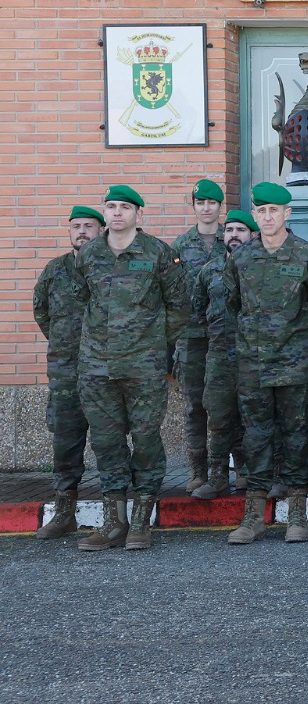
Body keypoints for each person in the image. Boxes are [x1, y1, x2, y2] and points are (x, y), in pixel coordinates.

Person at [74, 185, 188, 552]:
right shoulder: (89, 254)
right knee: (106, 442)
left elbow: (179, 307)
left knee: (145, 439)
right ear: (104, 213)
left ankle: (141, 520)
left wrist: (153, 343)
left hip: (144, 366)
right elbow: (81, 303)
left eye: (125, 207)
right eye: (111, 206)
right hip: (96, 367)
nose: (117, 213)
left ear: (139, 214)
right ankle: (114, 522)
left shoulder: (157, 253)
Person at [223, 182, 308, 545]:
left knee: (296, 436)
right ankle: (254, 516)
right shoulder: (240, 258)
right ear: (254, 215)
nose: (267, 217)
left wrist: (292, 337)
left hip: (294, 360)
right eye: (261, 211)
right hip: (252, 363)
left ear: (288, 213)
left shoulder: (306, 255)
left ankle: (297, 514)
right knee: (255, 437)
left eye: (274, 210)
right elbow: (233, 303)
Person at [31, 205, 102, 540]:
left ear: (101, 230)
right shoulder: (55, 270)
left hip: (105, 367)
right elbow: (41, 310)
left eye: (89, 226)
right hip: (65, 370)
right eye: (76, 226)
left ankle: (119, 510)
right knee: (65, 440)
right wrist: (64, 343)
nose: (82, 232)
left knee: (110, 440)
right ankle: (64, 512)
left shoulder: (109, 267)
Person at [190, 210, 256, 501]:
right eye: (229, 230)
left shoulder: (260, 268)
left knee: (253, 416)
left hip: (254, 356)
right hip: (219, 356)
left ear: (252, 235)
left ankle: (247, 473)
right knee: (218, 416)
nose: (234, 235)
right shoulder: (210, 270)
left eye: (241, 230)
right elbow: (198, 309)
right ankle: (217, 477)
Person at [171, 178, 225, 492]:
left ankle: (234, 468)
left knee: (228, 404)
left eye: (211, 203)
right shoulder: (180, 245)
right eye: (200, 203)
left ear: (220, 207)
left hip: (224, 337)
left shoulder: (232, 240)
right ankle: (198, 472)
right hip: (191, 337)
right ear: (193, 206)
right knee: (194, 406)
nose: (206, 208)